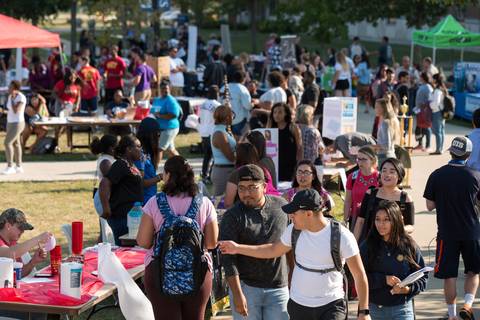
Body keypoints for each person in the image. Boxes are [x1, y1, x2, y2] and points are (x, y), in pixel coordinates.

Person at [218, 188, 372, 320]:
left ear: (309, 214)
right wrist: (237, 248)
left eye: (294, 213)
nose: (290, 217)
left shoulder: (342, 236)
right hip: (299, 306)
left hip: (331, 305)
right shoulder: (294, 231)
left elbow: (359, 275)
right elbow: (272, 250)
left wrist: (363, 312)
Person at [137, 155, 218, 320]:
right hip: (198, 271)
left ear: (167, 175)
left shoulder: (154, 203)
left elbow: (144, 243)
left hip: (160, 271)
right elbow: (211, 243)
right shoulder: (204, 203)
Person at [218, 164, 291, 320]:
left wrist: (292, 280)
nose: (246, 193)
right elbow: (228, 259)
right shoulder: (231, 216)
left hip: (278, 287)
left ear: (264, 187)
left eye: (252, 188)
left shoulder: (282, 207)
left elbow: (290, 245)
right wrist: (237, 294)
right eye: (241, 188)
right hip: (246, 288)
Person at [424, 136, 480, 320]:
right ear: (469, 155)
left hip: (447, 233)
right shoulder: (476, 175)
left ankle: (452, 315)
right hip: (472, 232)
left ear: (450, 152)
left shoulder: (436, 174)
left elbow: (429, 206)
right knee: (473, 271)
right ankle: (468, 304)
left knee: (450, 276)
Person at [359, 200, 428, 320]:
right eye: (377, 219)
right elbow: (359, 278)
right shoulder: (367, 246)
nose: (380, 223)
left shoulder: (409, 245)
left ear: (396, 220)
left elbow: (423, 276)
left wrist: (408, 289)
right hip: (374, 309)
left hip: (403, 309)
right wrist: (383, 279)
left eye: (386, 219)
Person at [0, 208, 51, 320]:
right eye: (20, 228)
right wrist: (37, 239)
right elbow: (8, 253)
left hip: (9, 296)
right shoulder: (6, 246)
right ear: (8, 225)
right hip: (2, 302)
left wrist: (34, 261)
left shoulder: (13, 243)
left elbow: (19, 274)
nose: (22, 232)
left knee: (51, 305)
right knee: (40, 312)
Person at [354, 158, 415, 243]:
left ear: (400, 177)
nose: (387, 174)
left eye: (392, 172)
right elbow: (360, 222)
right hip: (371, 244)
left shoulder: (405, 198)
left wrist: (403, 228)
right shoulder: (371, 194)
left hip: (395, 245)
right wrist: (353, 246)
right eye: (384, 171)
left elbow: (411, 225)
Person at [99, 135, 143, 245]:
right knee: (125, 251)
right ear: (129, 149)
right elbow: (104, 183)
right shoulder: (121, 164)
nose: (141, 150)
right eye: (139, 146)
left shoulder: (130, 165)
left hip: (131, 217)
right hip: (122, 217)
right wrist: (106, 209)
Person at [224, 143, 280, 209]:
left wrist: (232, 217)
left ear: (239, 156)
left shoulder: (237, 173)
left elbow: (228, 203)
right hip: (267, 209)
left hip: (244, 214)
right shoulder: (264, 171)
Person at [90, 134, 118, 243]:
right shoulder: (106, 162)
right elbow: (113, 181)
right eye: (117, 146)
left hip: (104, 196)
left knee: (104, 233)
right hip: (104, 198)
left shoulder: (107, 158)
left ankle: (97, 253)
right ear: (111, 148)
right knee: (106, 233)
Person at [344, 146, 379, 232]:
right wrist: (345, 220)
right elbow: (348, 200)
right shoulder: (352, 177)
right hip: (355, 219)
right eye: (359, 159)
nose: (360, 162)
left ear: (372, 160)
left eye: (364, 159)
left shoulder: (380, 178)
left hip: (374, 219)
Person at [267, 102, 303, 181]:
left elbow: (300, 149)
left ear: (286, 113)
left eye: (280, 112)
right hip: (274, 167)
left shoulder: (293, 128)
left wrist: (300, 167)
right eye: (274, 112)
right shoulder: (269, 130)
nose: (277, 115)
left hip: (290, 167)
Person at [150, 81, 181, 167]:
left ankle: (153, 171)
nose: (164, 90)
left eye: (166, 88)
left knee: (159, 148)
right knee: (170, 150)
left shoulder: (171, 101)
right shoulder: (157, 99)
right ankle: (182, 166)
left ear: (170, 90)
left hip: (169, 128)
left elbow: (175, 114)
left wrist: (160, 115)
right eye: (162, 88)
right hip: (161, 128)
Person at [52, 69, 83, 149]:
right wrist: (61, 101)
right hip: (60, 106)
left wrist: (77, 105)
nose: (72, 79)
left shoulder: (77, 85)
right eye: (71, 77)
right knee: (60, 125)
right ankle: (56, 144)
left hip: (70, 106)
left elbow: (79, 96)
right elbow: (53, 93)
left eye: (74, 77)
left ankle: (69, 144)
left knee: (69, 125)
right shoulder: (61, 83)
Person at [210, 105, 236, 197]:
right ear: (227, 117)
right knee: (219, 203)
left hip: (227, 170)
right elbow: (230, 157)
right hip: (223, 172)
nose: (233, 117)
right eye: (232, 115)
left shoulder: (222, 130)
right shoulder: (219, 133)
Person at [134, 118, 162, 204]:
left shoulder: (146, 154)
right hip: (144, 203)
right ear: (150, 134)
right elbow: (140, 183)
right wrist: (160, 177)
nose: (159, 138)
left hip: (149, 201)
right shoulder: (140, 156)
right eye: (158, 134)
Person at [2, 80, 26, 175]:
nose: (8, 89)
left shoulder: (21, 97)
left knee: (7, 142)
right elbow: (11, 111)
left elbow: (16, 110)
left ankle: (10, 166)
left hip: (17, 123)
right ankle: (19, 166)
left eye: (10, 88)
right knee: (16, 144)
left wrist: (12, 99)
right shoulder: (9, 96)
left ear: (16, 89)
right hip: (10, 122)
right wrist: (2, 111)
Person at [197, 86, 221, 182]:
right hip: (213, 133)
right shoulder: (218, 105)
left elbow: (199, 119)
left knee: (207, 155)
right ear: (217, 94)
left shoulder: (202, 104)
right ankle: (211, 176)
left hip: (204, 132)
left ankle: (204, 175)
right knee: (216, 156)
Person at [223, 71, 252, 141]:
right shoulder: (242, 89)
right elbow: (247, 105)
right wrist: (252, 104)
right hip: (239, 118)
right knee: (236, 140)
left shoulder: (224, 87)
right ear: (244, 80)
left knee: (226, 139)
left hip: (226, 117)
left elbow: (219, 102)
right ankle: (235, 151)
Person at [371, 98, 400, 166]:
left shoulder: (385, 123)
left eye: (377, 107)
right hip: (389, 155)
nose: (375, 109)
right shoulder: (389, 121)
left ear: (384, 108)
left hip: (384, 157)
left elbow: (386, 145)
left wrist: (370, 146)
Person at [413, 72, 433, 152]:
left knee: (427, 127)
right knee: (420, 126)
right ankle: (420, 144)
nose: (419, 77)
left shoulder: (428, 87)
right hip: (419, 111)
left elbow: (429, 98)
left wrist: (422, 104)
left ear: (423, 78)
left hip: (424, 111)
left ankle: (428, 145)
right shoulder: (422, 85)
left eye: (420, 76)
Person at [429, 73, 447, 155]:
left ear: (435, 80)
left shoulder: (437, 90)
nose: (432, 80)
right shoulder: (443, 88)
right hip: (442, 112)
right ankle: (440, 148)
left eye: (433, 79)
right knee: (441, 131)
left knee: (437, 132)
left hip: (437, 112)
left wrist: (430, 104)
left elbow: (436, 102)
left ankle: (438, 149)